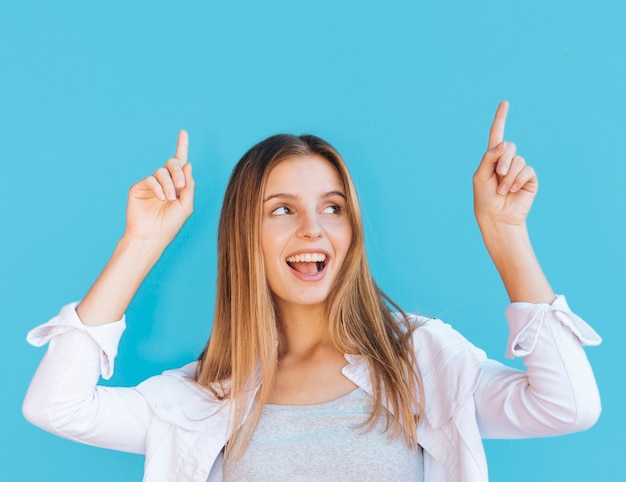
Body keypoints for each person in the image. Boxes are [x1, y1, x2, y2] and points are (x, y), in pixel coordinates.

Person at [23, 102, 601, 482]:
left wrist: (506, 234)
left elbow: (568, 406)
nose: (312, 230)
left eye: (332, 207)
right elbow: (55, 407)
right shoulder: (206, 399)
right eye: (282, 210)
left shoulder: (417, 363)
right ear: (245, 234)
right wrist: (142, 242)